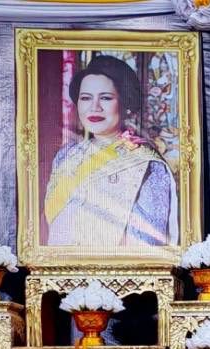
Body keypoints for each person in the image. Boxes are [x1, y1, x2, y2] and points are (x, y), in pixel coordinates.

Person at [44, 55, 176, 247]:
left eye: (105, 98)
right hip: (58, 263)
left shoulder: (146, 163)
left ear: (126, 104)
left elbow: (148, 244)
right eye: (85, 98)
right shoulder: (65, 156)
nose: (94, 107)